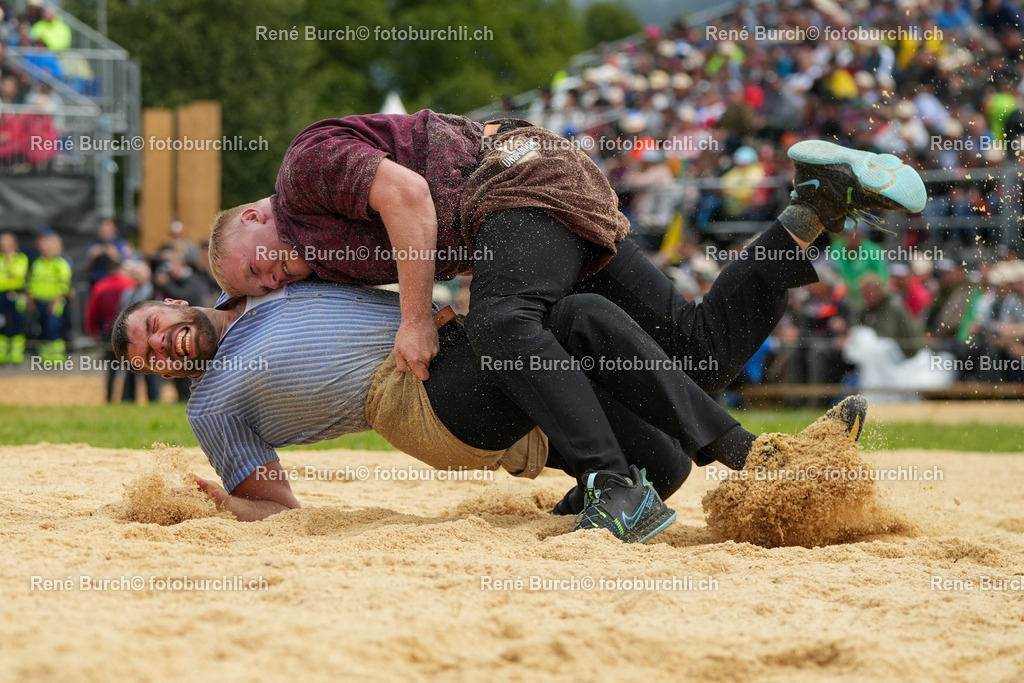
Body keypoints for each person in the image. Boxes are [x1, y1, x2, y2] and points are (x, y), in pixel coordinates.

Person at [206, 121, 925, 541]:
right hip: (552, 189)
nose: (276, 282)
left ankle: (616, 485)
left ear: (252, 218)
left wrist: (419, 316)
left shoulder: (302, 173)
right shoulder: (318, 248)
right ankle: (816, 206)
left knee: (502, 320)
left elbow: (410, 194)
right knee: (694, 357)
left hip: (513, 177)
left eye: (258, 270)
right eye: (262, 291)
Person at [110, 279, 869, 534]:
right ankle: (749, 451)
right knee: (572, 317)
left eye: (149, 325)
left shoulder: (272, 288)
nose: (159, 344)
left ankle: (608, 490)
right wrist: (222, 507)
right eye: (147, 356)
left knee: (662, 465)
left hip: (458, 347)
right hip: (413, 400)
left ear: (173, 298)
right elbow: (276, 505)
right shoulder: (211, 404)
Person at [26, 232, 71, 363]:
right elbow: (31, 283)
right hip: (39, 301)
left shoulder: (61, 263)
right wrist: (30, 299)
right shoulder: (37, 263)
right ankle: (45, 357)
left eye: (48, 246)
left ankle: (56, 357)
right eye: (43, 246)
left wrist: (56, 301)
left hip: (54, 302)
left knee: (54, 327)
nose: (45, 249)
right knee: (41, 328)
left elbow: (64, 285)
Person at [0, 231, 28, 364]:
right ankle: (2, 353)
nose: (3, 243)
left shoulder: (21, 258)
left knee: (17, 322)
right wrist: (8, 277)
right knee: (2, 323)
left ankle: (16, 354)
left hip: (17, 294)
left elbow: (19, 274)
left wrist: (9, 263)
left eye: (6, 240)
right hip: (1, 295)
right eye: (2, 240)